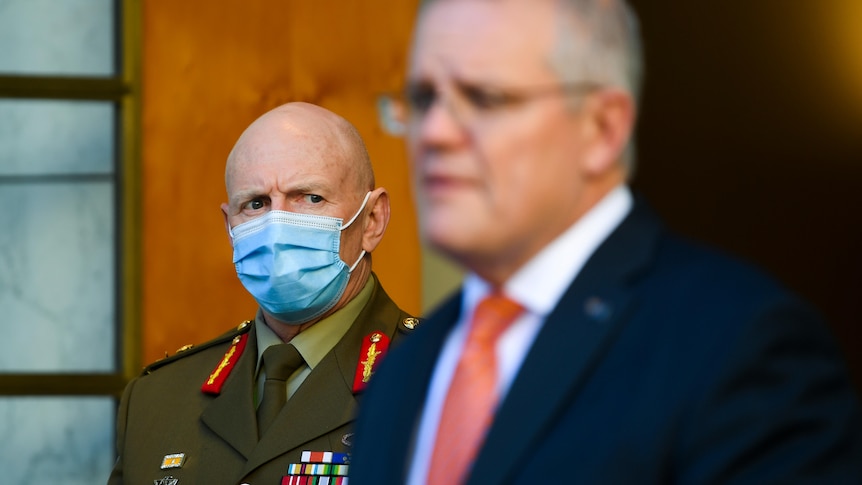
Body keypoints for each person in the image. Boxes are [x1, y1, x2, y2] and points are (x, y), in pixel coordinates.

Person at [349, 0, 862, 483]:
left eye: (484, 97)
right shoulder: (402, 372)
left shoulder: (741, 348)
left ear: (603, 128)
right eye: (422, 99)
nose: (434, 132)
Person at [109, 102, 419, 484]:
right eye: (255, 204)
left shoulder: (443, 381)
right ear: (230, 227)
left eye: (310, 198)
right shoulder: (157, 400)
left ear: (371, 220)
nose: (277, 224)